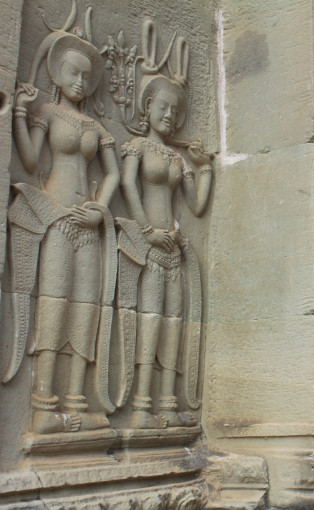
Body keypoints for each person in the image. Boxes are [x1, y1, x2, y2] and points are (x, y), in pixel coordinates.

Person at [10, 29, 120, 434]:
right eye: (73, 73)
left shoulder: (94, 125)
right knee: (54, 304)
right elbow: (29, 160)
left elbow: (113, 174)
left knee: (85, 307)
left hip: (87, 223)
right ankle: (43, 405)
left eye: (86, 77)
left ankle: (75, 400)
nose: (80, 81)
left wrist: (100, 209)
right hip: (55, 216)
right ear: (58, 75)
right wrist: (19, 113)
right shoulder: (49, 114)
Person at [119, 72, 211, 428]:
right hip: (148, 246)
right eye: (163, 107)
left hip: (172, 249)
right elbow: (128, 185)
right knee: (150, 320)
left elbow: (196, 205)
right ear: (147, 107)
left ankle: (168, 404)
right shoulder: (137, 147)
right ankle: (142, 406)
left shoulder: (177, 159)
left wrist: (205, 168)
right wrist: (146, 230)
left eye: (175, 110)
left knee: (174, 325)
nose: (169, 115)